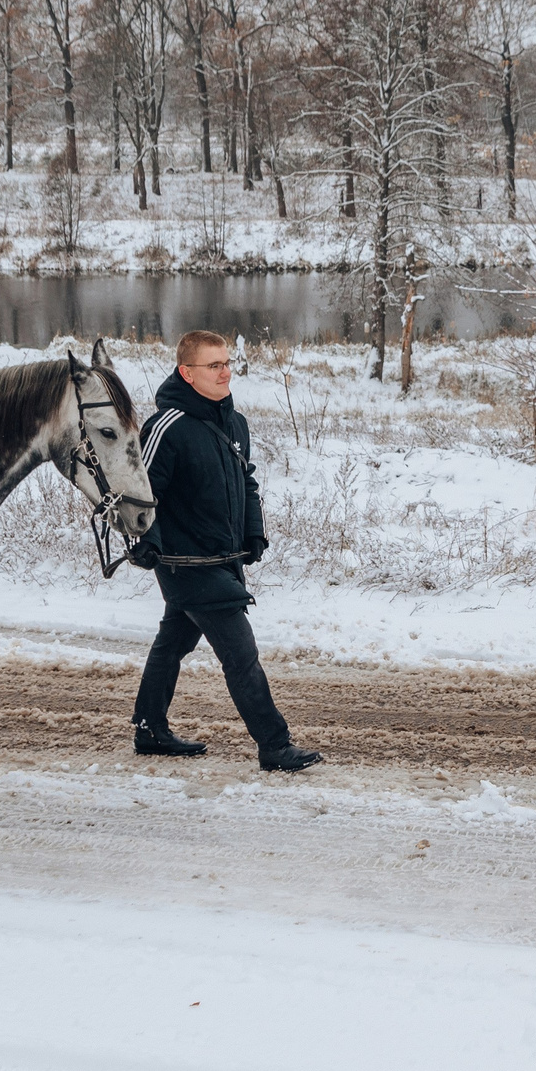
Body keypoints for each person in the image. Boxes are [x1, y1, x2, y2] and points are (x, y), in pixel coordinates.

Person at [128, 330, 321, 772]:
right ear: (187, 373)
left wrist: (253, 533)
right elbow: (142, 495)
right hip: (185, 564)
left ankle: (149, 729)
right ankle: (274, 745)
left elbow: (246, 481)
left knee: (173, 642)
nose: (225, 372)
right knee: (241, 654)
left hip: (223, 559)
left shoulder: (235, 423)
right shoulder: (165, 427)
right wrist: (147, 542)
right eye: (214, 365)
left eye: (227, 363)